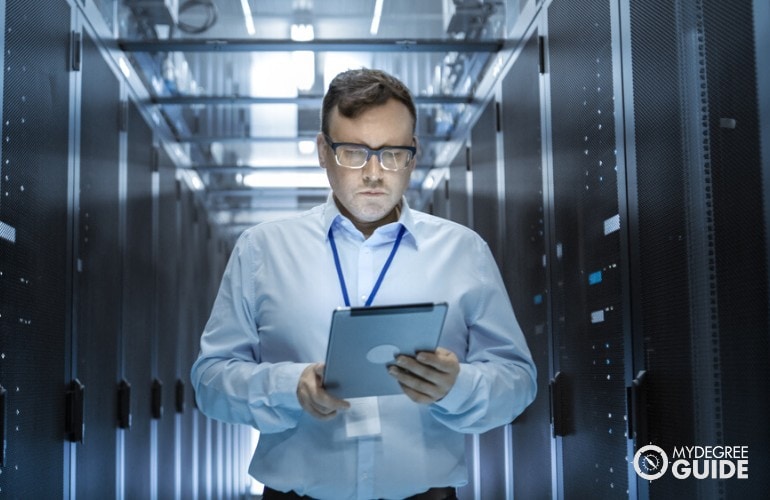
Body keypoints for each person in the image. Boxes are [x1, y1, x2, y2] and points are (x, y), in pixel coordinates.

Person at [190, 68, 537, 500]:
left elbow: (519, 381)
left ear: (414, 153)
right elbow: (209, 382)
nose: (374, 173)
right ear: (322, 150)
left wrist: (457, 386)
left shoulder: (464, 251)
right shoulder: (262, 250)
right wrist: (287, 386)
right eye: (353, 152)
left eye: (392, 153)